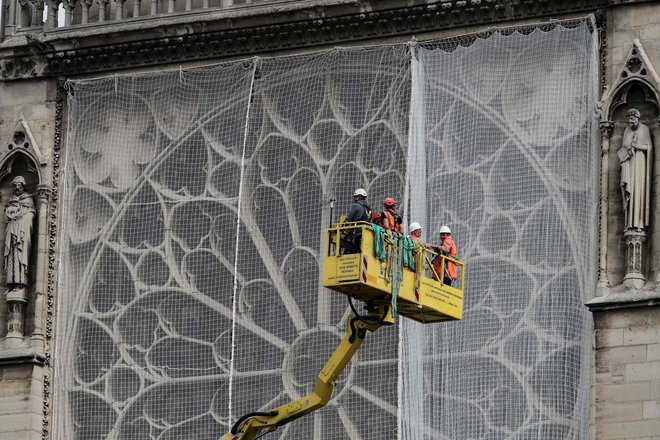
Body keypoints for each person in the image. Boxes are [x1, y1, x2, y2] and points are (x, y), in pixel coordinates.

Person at [618, 108, 653, 231]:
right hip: (629, 163)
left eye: (632, 120)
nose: (631, 122)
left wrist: (636, 146)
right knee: (630, 191)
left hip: (640, 164)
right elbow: (623, 147)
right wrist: (627, 151)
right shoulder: (627, 130)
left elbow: (649, 147)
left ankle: (638, 223)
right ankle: (629, 223)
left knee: (638, 192)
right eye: (629, 120)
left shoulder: (645, 129)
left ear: (637, 118)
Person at [4, 176, 36, 290]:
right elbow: (7, 217)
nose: (17, 188)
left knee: (20, 255)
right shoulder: (12, 199)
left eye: (19, 186)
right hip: (12, 232)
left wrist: (21, 219)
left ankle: (20, 283)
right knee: (11, 256)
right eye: (15, 186)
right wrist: (11, 215)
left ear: (23, 186)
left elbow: (31, 214)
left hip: (21, 234)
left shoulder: (28, 199)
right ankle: (11, 283)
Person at [342, 188, 371, 253]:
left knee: (347, 249)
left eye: (355, 197)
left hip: (356, 233)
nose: (354, 199)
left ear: (359, 197)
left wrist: (341, 227)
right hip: (366, 233)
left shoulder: (356, 206)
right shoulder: (369, 209)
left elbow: (348, 220)